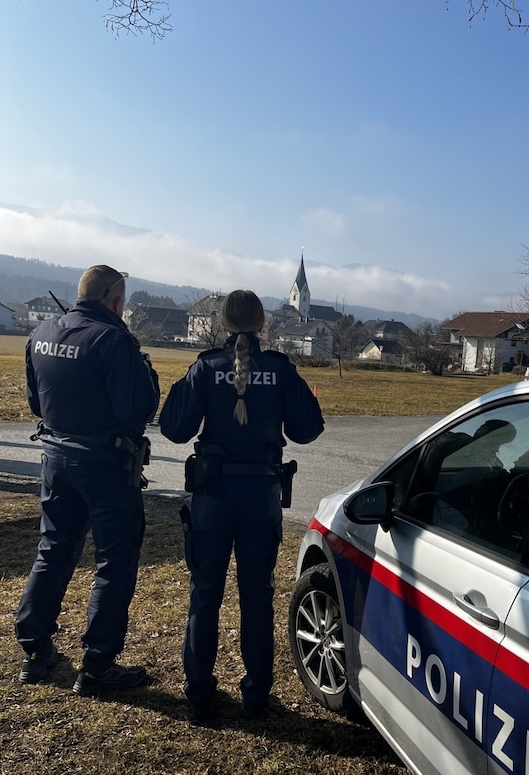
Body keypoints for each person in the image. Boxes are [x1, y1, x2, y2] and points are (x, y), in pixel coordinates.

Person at [159, 289, 324, 720]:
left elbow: (175, 429)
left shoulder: (205, 366)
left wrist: (192, 378)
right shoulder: (280, 370)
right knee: (257, 597)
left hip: (212, 498)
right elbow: (308, 429)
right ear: (263, 324)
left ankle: (198, 696)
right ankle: (256, 696)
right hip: (261, 499)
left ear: (224, 324)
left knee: (204, 596)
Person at [15, 265, 160, 694]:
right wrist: (145, 368)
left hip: (56, 456)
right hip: (106, 465)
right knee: (114, 563)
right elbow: (139, 410)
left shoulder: (41, 332)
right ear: (115, 300)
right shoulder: (114, 341)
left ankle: (35, 648)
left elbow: (36, 404)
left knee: (53, 550)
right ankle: (98, 663)